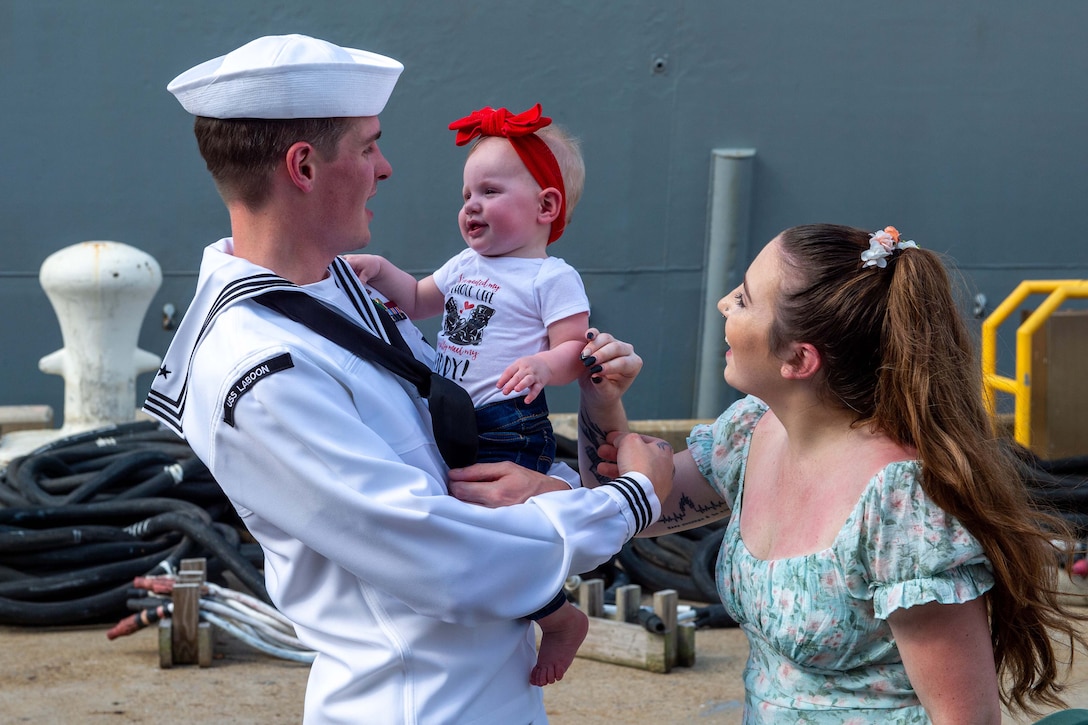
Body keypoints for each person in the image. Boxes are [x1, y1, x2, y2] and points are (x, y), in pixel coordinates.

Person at [143, 33, 673, 724]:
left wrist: (584, 422)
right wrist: (629, 502)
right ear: (303, 166)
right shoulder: (261, 367)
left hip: (477, 686)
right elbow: (438, 553)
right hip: (419, 702)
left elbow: (449, 446)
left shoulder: (329, 293)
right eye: (368, 147)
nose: (385, 168)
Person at [452, 223, 1088, 722]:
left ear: (798, 358)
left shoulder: (900, 504)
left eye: (746, 298)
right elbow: (635, 515)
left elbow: (965, 719)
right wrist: (600, 400)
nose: (726, 303)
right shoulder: (753, 431)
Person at [346, 103, 591, 686]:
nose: (471, 205)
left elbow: (575, 349)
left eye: (489, 191)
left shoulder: (549, 278)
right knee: (456, 523)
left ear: (546, 207)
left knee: (497, 530)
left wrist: (540, 363)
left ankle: (558, 617)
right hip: (452, 416)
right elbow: (417, 298)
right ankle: (481, 620)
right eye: (466, 194)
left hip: (509, 423)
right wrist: (379, 271)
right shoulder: (463, 264)